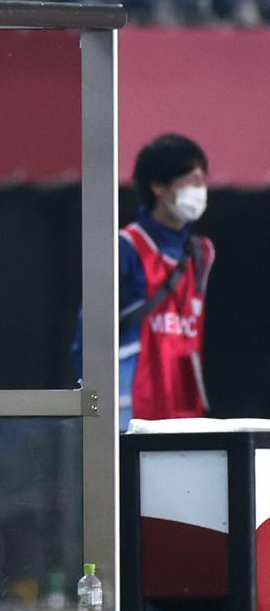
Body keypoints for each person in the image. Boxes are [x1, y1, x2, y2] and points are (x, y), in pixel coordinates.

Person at [119, 134, 215, 425]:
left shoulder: (202, 253)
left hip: (186, 411)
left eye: (203, 181)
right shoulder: (126, 247)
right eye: (190, 180)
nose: (200, 190)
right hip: (133, 410)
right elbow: (91, 328)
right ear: (158, 186)